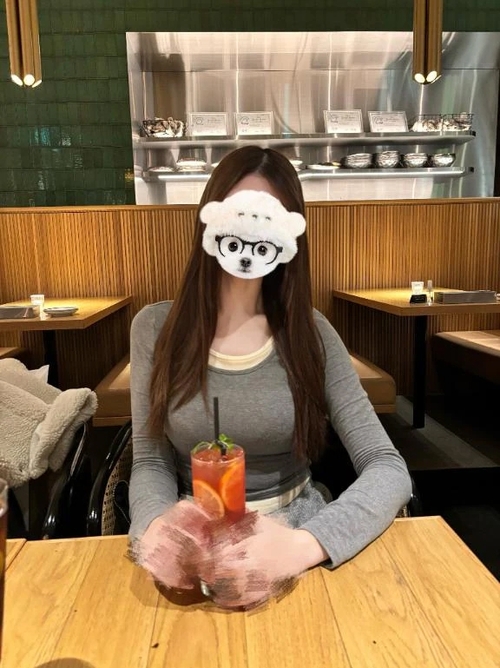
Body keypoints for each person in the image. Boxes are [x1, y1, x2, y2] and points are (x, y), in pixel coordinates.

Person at [129, 145, 412, 609]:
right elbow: (150, 461)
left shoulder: (312, 334)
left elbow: (387, 466)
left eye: (267, 219)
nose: (250, 230)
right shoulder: (154, 329)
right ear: (211, 221)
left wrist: (302, 546)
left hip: (293, 534)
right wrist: (156, 528)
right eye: (239, 214)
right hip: (194, 541)